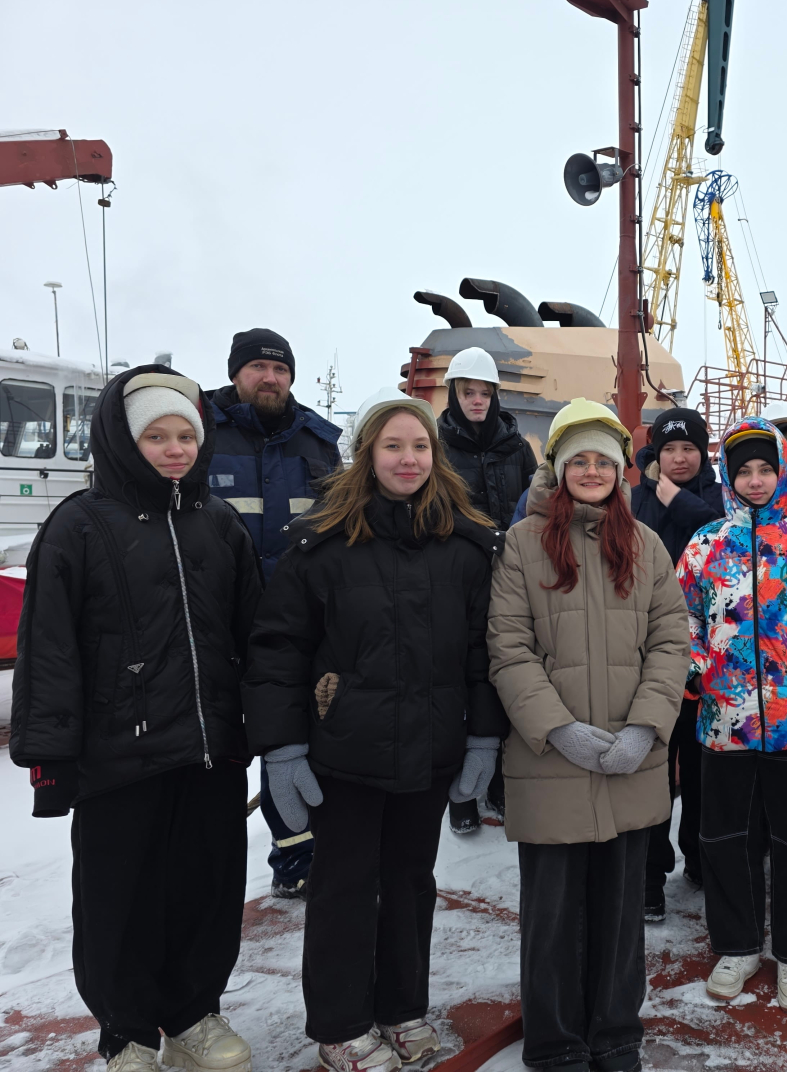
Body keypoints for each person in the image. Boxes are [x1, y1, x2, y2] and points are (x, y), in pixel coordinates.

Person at [244, 388, 506, 1072]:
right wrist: (283, 747)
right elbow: (279, 648)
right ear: (366, 455)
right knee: (344, 889)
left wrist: (483, 737)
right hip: (345, 753)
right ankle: (340, 1025)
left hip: (430, 749)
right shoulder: (321, 546)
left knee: (412, 883)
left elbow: (482, 653)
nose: (408, 458)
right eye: (392, 446)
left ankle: (401, 1007)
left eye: (420, 446)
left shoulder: (466, 547)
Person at [11, 367, 262, 1072]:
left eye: (186, 435)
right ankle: (126, 1033)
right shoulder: (79, 526)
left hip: (209, 751)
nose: (175, 449)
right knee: (119, 902)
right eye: (156, 436)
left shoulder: (220, 524)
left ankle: (193, 1015)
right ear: (124, 440)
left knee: (207, 892)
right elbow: (48, 647)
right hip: (118, 757)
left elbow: (255, 636)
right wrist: (50, 758)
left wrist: (270, 728)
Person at [488, 398, 690, 1072]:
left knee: (620, 909)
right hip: (552, 760)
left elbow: (671, 642)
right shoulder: (522, 544)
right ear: (558, 467)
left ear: (621, 468)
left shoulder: (646, 546)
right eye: (580, 460)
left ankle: (614, 1033)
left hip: (630, 758)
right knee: (551, 914)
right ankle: (555, 1044)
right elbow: (509, 648)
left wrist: (645, 727)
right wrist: (557, 728)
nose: (593, 471)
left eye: (605, 460)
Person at [678, 417, 787, 1014]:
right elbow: (683, 617)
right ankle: (738, 945)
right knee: (726, 838)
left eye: (765, 469)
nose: (754, 480)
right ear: (728, 475)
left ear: (782, 472)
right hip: (724, 721)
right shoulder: (705, 543)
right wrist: (698, 669)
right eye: (743, 470)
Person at [208, 327, 342, 898]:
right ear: (236, 373)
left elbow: (340, 530)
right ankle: (207, 872)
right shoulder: (200, 432)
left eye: (280, 369)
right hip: (217, 626)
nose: (270, 378)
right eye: (258, 367)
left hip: (295, 626)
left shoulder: (317, 443)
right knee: (216, 751)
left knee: (290, 740)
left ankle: (295, 859)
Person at [629, 405, 725, 921]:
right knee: (653, 769)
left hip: (709, 657)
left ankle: (700, 856)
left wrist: (679, 500)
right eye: (670, 449)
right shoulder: (635, 500)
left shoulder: (718, 497)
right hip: (649, 654)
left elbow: (724, 541)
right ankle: (649, 874)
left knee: (703, 766)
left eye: (690, 448)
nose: (681, 457)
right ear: (656, 453)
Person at [437, 346, 538, 835]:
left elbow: (535, 501)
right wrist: (482, 537)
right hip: (456, 579)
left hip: (510, 577)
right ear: (453, 394)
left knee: (504, 674)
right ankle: (462, 793)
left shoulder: (516, 446)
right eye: (467, 392)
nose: (477, 401)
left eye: (484, 392)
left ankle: (498, 781)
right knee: (460, 677)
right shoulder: (437, 447)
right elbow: (434, 508)